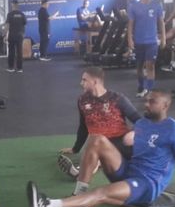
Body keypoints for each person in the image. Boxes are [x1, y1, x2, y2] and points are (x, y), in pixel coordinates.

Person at [28, 90, 175, 207]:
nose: (146, 104)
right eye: (146, 100)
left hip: (146, 184)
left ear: (165, 106)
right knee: (97, 139)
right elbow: (129, 150)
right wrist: (109, 153)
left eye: (152, 102)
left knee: (102, 192)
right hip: (129, 171)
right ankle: (79, 196)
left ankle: (48, 206)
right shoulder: (142, 124)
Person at [57, 67, 142, 196]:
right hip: (97, 144)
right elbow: (83, 127)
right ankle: (80, 186)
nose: (81, 83)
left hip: (121, 143)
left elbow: (140, 121)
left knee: (96, 157)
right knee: (93, 153)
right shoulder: (82, 100)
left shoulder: (117, 98)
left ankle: (81, 172)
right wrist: (75, 148)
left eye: (84, 80)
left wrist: (134, 132)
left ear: (95, 82)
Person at [127, 0, 165, 97]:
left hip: (152, 42)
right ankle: (141, 87)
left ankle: (150, 90)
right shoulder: (134, 7)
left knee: (150, 66)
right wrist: (130, 39)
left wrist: (163, 38)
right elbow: (130, 24)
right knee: (139, 66)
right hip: (139, 41)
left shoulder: (157, 5)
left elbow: (161, 22)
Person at [5, 0, 28, 72]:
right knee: (19, 52)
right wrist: (23, 32)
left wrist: (5, 35)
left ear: (12, 5)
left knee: (11, 51)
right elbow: (25, 23)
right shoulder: (22, 14)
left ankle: (11, 68)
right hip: (19, 35)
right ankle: (20, 68)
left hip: (12, 35)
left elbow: (7, 25)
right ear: (18, 5)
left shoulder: (10, 14)